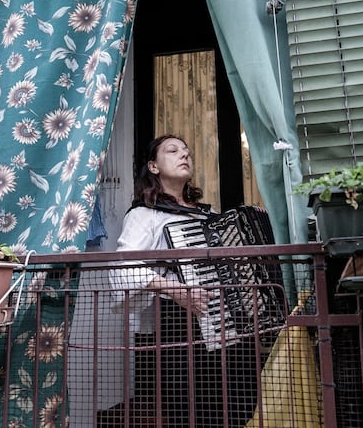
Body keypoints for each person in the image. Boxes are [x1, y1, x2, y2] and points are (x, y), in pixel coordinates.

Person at [107, 134, 259, 427]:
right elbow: (123, 265)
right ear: (153, 166)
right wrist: (174, 289)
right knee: (191, 407)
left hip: (226, 319)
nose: (184, 155)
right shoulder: (144, 214)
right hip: (179, 322)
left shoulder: (208, 215)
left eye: (187, 152)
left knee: (236, 403)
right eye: (173, 151)